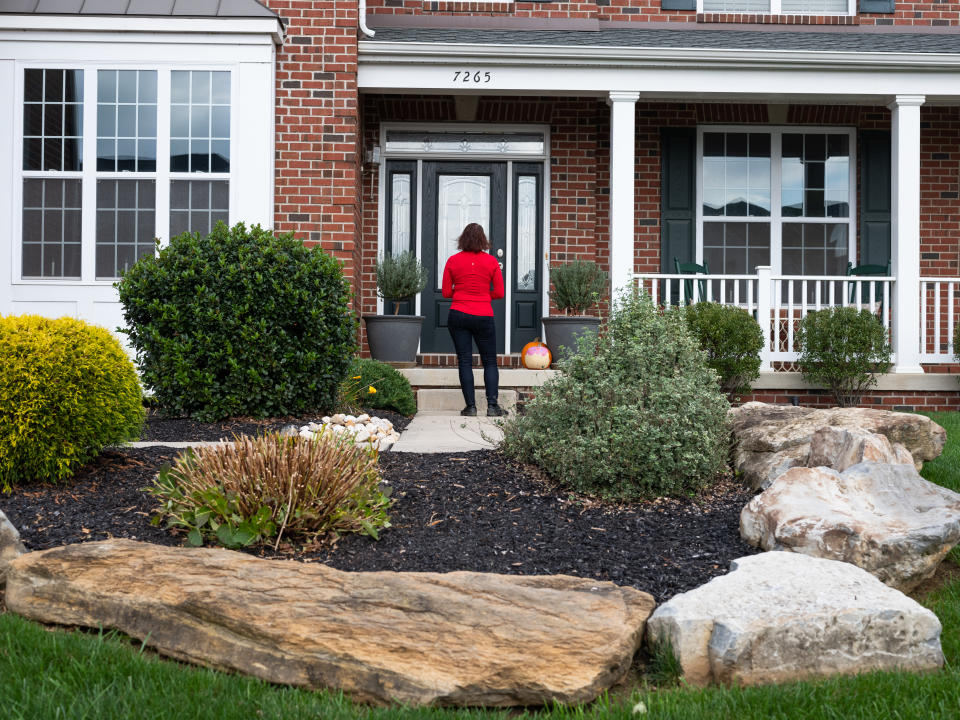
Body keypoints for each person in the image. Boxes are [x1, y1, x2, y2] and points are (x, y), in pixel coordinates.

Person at [441, 223, 506, 417]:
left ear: (463, 239)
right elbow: (500, 293)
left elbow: (445, 292)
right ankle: (493, 407)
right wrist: (484, 295)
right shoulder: (492, 262)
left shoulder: (453, 261)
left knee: (465, 360)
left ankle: (470, 407)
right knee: (490, 361)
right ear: (483, 241)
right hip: (483, 315)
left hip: (458, 314)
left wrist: (461, 293)